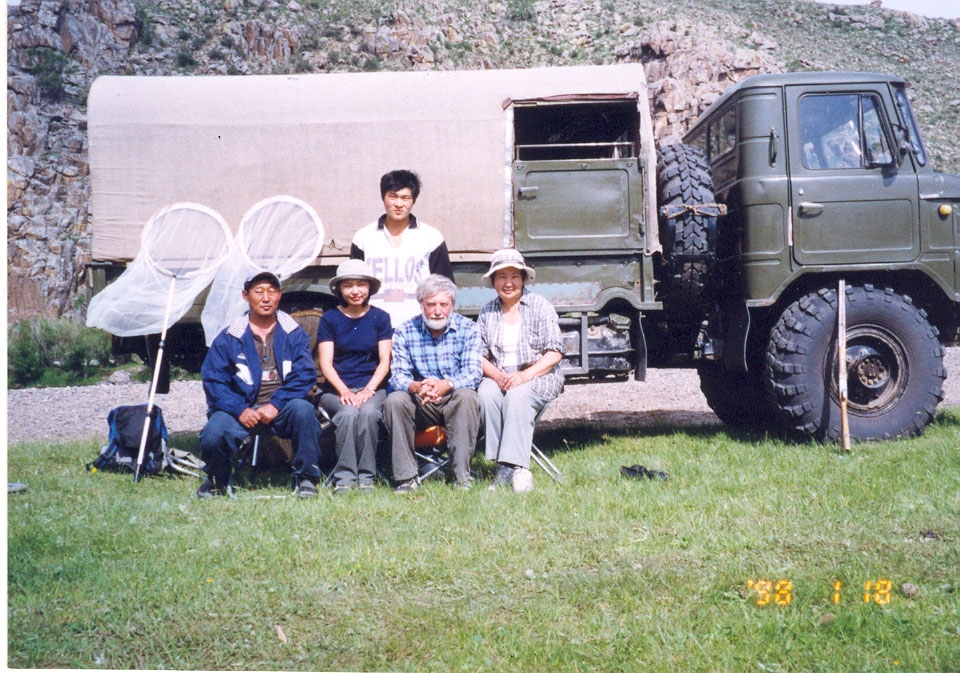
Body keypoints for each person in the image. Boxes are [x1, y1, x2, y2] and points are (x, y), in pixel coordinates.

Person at [197, 271, 323, 498]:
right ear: (246, 296)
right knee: (214, 432)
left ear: (279, 295)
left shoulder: (294, 333)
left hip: (281, 408)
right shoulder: (228, 336)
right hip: (241, 409)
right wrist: (239, 409)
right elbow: (214, 381)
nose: (266, 298)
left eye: (272, 291)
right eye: (259, 291)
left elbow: (304, 375)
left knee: (304, 411)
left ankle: (306, 478)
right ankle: (217, 479)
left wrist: (276, 404)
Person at [384, 274, 482, 493]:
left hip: (453, 397)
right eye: (431, 305)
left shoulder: (469, 329)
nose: (437, 310)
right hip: (421, 399)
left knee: (467, 396)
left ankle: (461, 476)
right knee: (395, 401)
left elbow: (473, 373)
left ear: (452, 305)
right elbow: (398, 375)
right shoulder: (404, 331)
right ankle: (406, 477)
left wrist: (446, 384)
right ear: (421, 305)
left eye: (443, 304)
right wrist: (417, 387)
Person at [477, 249, 563, 493]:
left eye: (514, 275)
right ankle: (505, 463)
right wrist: (497, 376)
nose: (508, 282)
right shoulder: (487, 311)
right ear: (493, 282)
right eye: (501, 276)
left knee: (517, 395)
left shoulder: (539, 305)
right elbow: (478, 355)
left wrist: (523, 376)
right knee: (486, 394)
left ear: (523, 279)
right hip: (501, 375)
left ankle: (509, 467)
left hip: (538, 375)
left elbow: (555, 353)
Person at [316, 260, 393, 492]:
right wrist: (345, 391)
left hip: (372, 386)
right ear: (339, 289)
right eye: (348, 285)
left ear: (370, 287)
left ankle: (367, 477)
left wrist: (369, 390)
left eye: (361, 284)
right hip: (336, 389)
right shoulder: (329, 319)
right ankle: (345, 477)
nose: (355, 291)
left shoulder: (380, 317)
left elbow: (384, 361)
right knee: (348, 414)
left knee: (369, 413)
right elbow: (326, 364)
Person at [350, 169, 455, 327]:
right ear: (383, 198)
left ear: (413, 201)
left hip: (418, 325)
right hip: (373, 325)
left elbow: (445, 287)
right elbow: (353, 286)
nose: (399, 204)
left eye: (405, 198)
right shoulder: (363, 237)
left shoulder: (432, 237)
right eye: (393, 196)